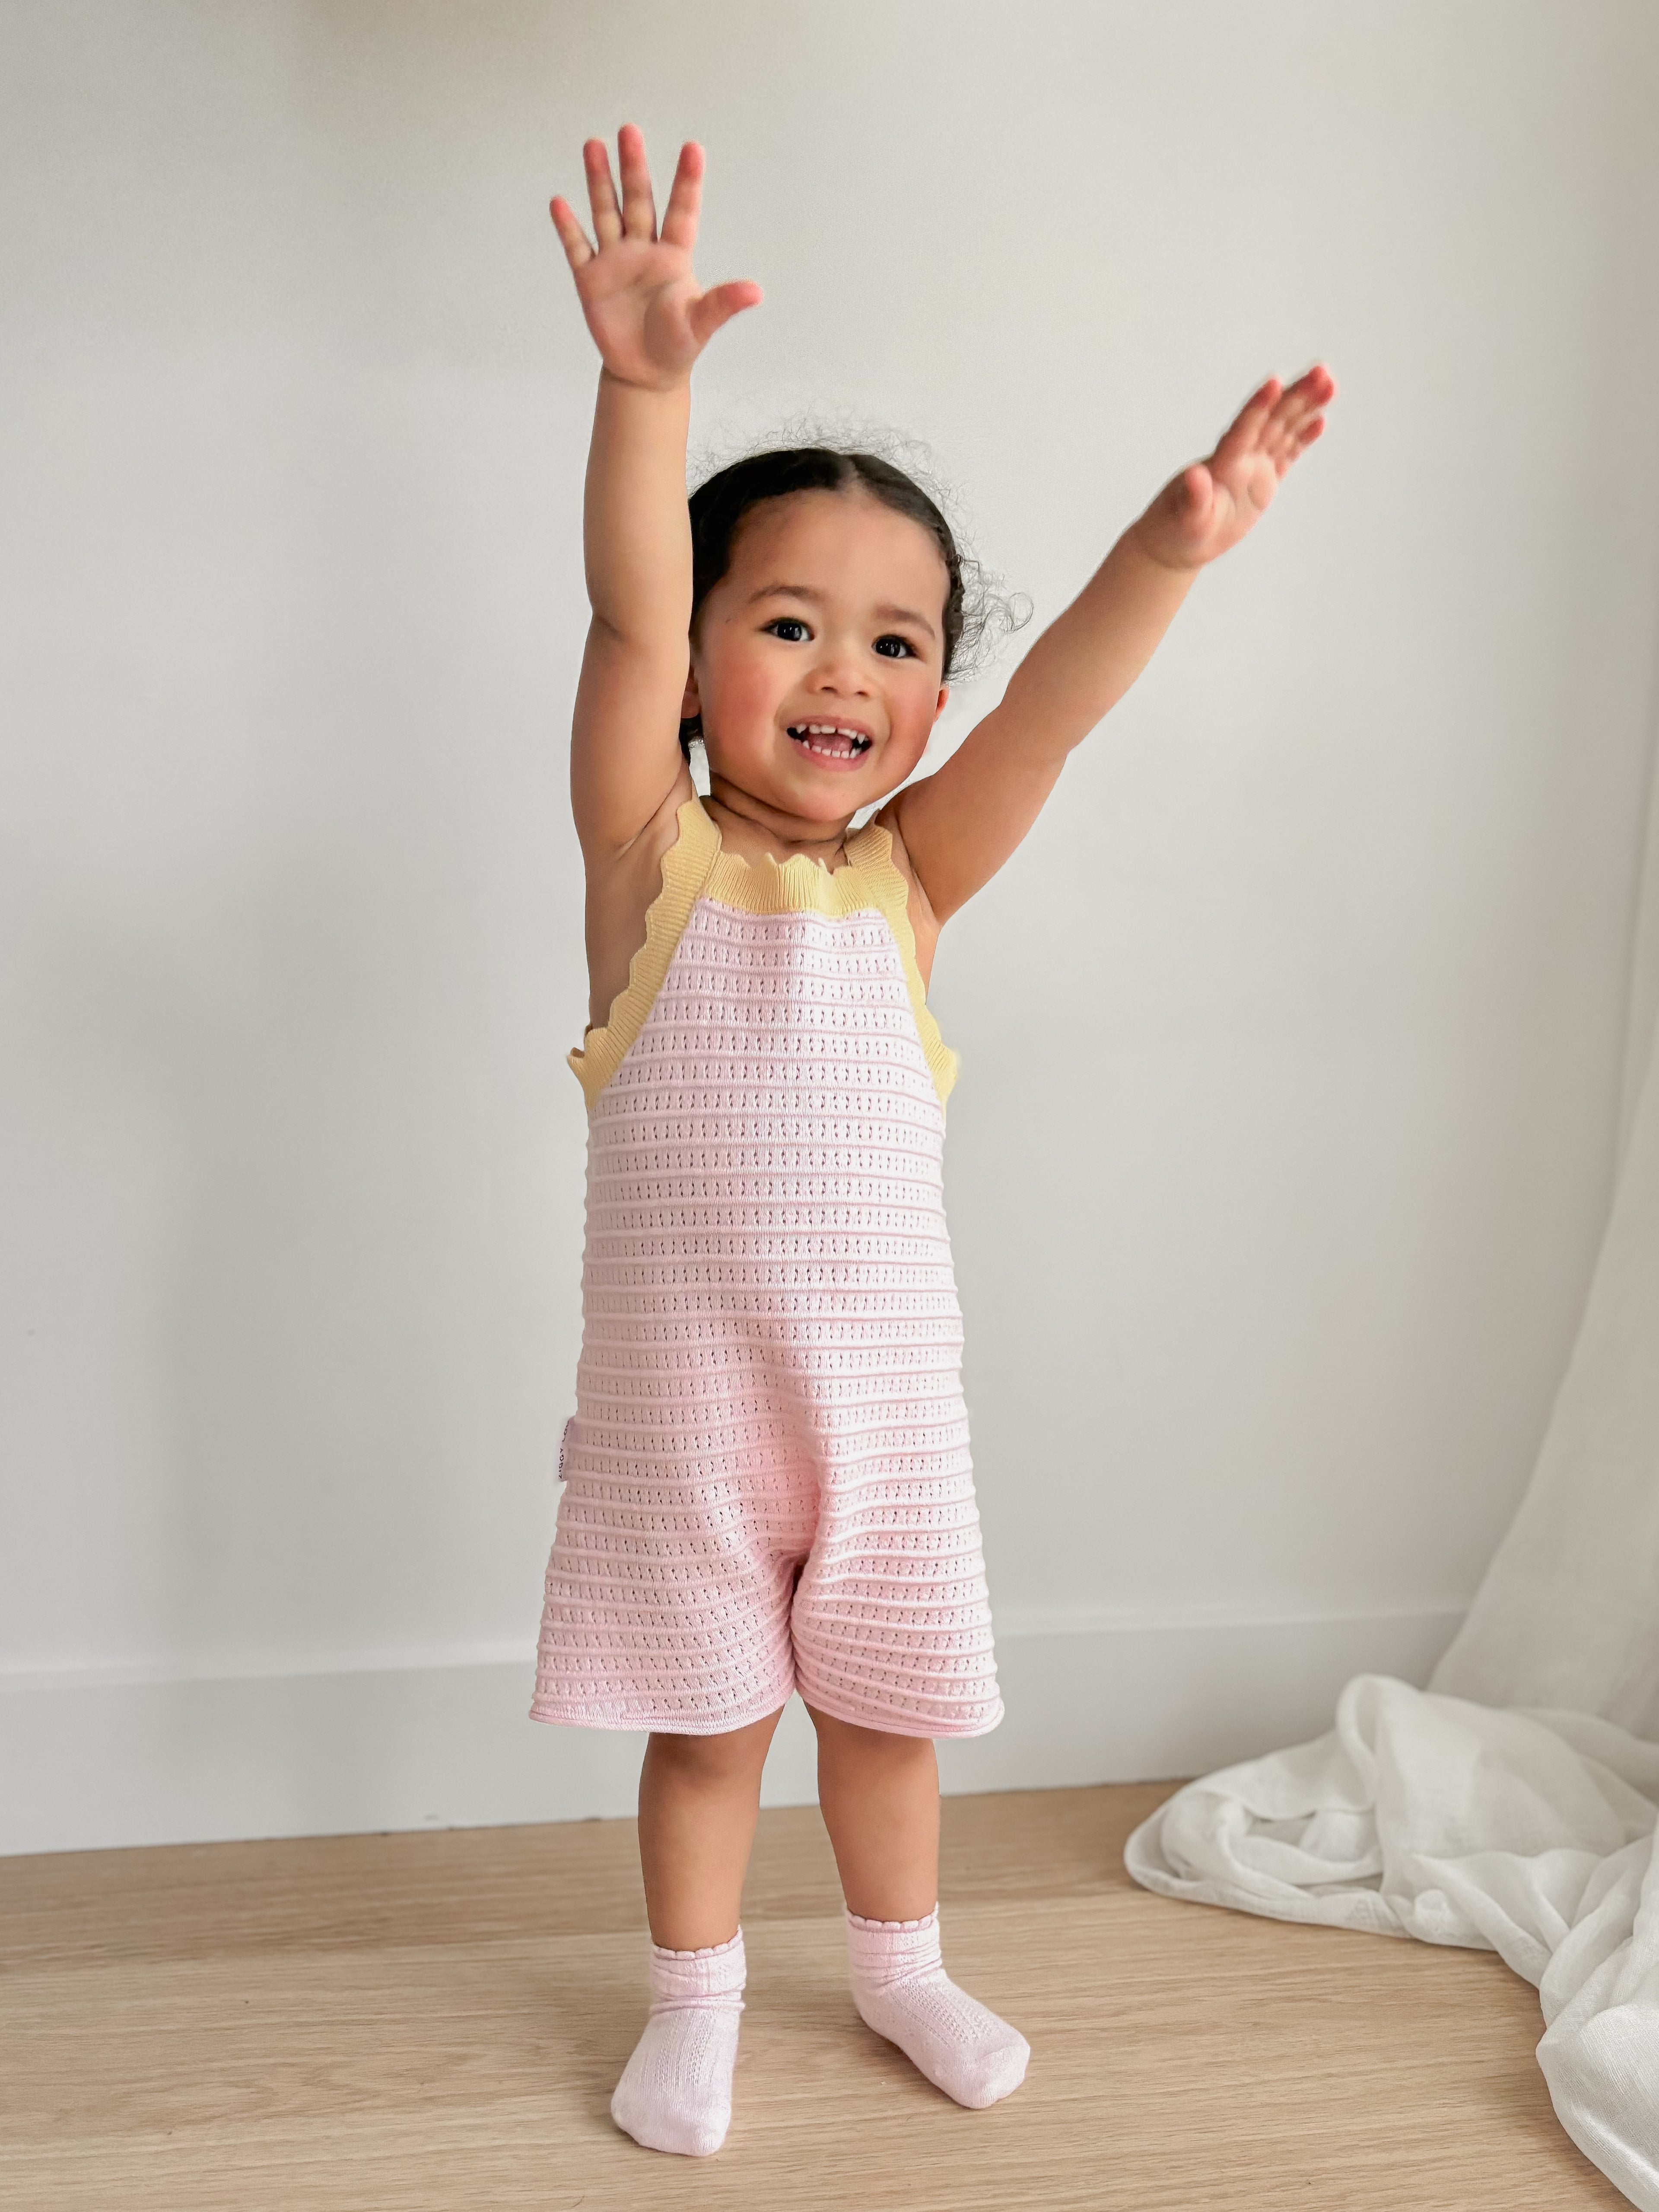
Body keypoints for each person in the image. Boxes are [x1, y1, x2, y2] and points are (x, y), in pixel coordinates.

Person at [531, 124, 1335, 2158]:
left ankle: (899, 1964)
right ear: (708, 668)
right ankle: (692, 2003)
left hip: (885, 1409)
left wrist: (1164, 551)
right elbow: (624, 628)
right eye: (788, 622)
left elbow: (1047, 721)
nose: (846, 671)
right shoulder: (655, 859)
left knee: (887, 1718)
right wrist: (648, 396)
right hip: (687, 1407)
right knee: (710, 1731)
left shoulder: (911, 883)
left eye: (897, 641)